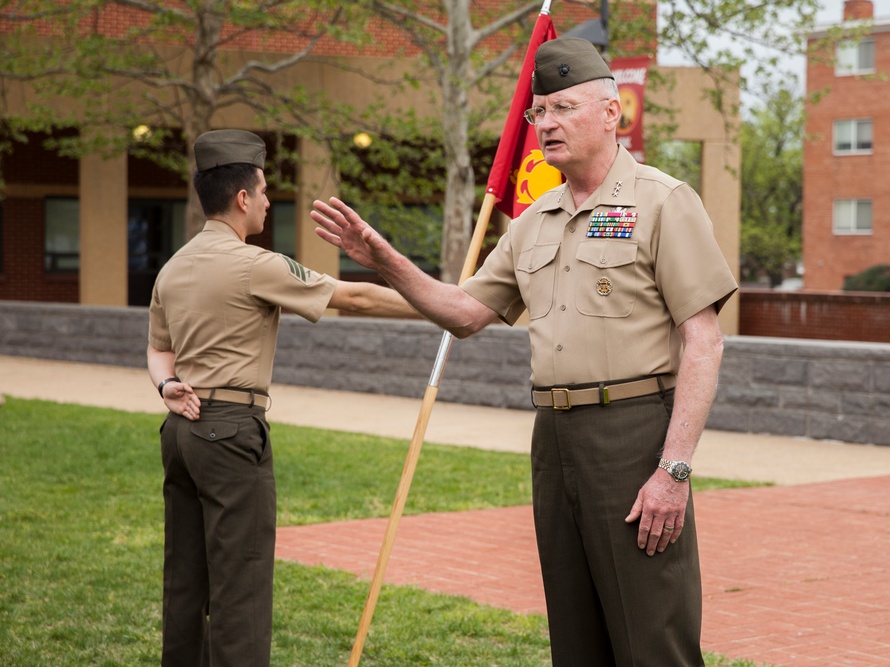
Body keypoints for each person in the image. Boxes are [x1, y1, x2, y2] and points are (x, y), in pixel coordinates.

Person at [312, 37, 737, 667]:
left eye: (564, 107)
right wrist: (386, 260)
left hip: (634, 437)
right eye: (539, 113)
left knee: (654, 639)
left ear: (611, 111)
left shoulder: (662, 201)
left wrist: (672, 471)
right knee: (576, 636)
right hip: (554, 439)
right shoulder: (534, 221)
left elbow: (703, 338)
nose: (547, 125)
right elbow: (465, 312)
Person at [147, 129, 416, 666]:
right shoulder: (257, 264)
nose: (269, 201)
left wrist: (165, 386)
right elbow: (355, 298)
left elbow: (158, 351)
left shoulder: (172, 267)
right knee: (240, 587)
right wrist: (439, 302)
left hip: (181, 432)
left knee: (185, 581)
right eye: (265, 191)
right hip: (230, 432)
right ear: (243, 198)